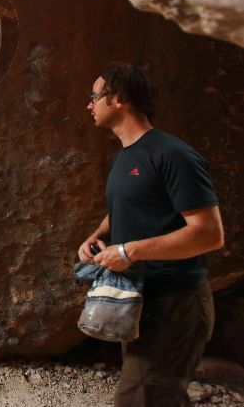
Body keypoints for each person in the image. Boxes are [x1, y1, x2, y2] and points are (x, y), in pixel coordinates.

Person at [79, 64, 224, 406]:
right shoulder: (126, 156)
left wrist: (129, 252)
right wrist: (96, 235)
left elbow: (209, 234)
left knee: (141, 398)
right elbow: (127, 207)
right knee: (159, 396)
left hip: (176, 302)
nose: (89, 105)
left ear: (120, 99)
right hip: (141, 301)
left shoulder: (171, 154)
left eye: (95, 96)